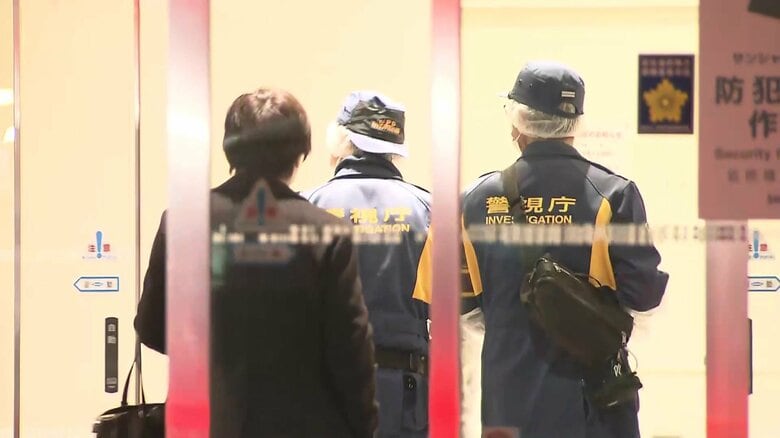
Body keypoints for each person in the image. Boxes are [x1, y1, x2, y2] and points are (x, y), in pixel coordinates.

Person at [416, 61, 669, 438]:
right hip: (594, 407)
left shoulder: (471, 202)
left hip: (508, 404)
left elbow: (450, 304)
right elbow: (644, 299)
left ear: (516, 121)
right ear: (575, 123)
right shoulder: (614, 195)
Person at [134, 88, 379, 437]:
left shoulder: (182, 222)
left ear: (230, 148)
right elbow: (350, 351)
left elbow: (151, 326)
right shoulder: (327, 233)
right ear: (299, 153)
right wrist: (364, 426)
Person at [305, 91, 432, 438]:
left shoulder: (307, 207)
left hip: (324, 390)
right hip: (405, 397)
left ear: (342, 139)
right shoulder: (428, 211)